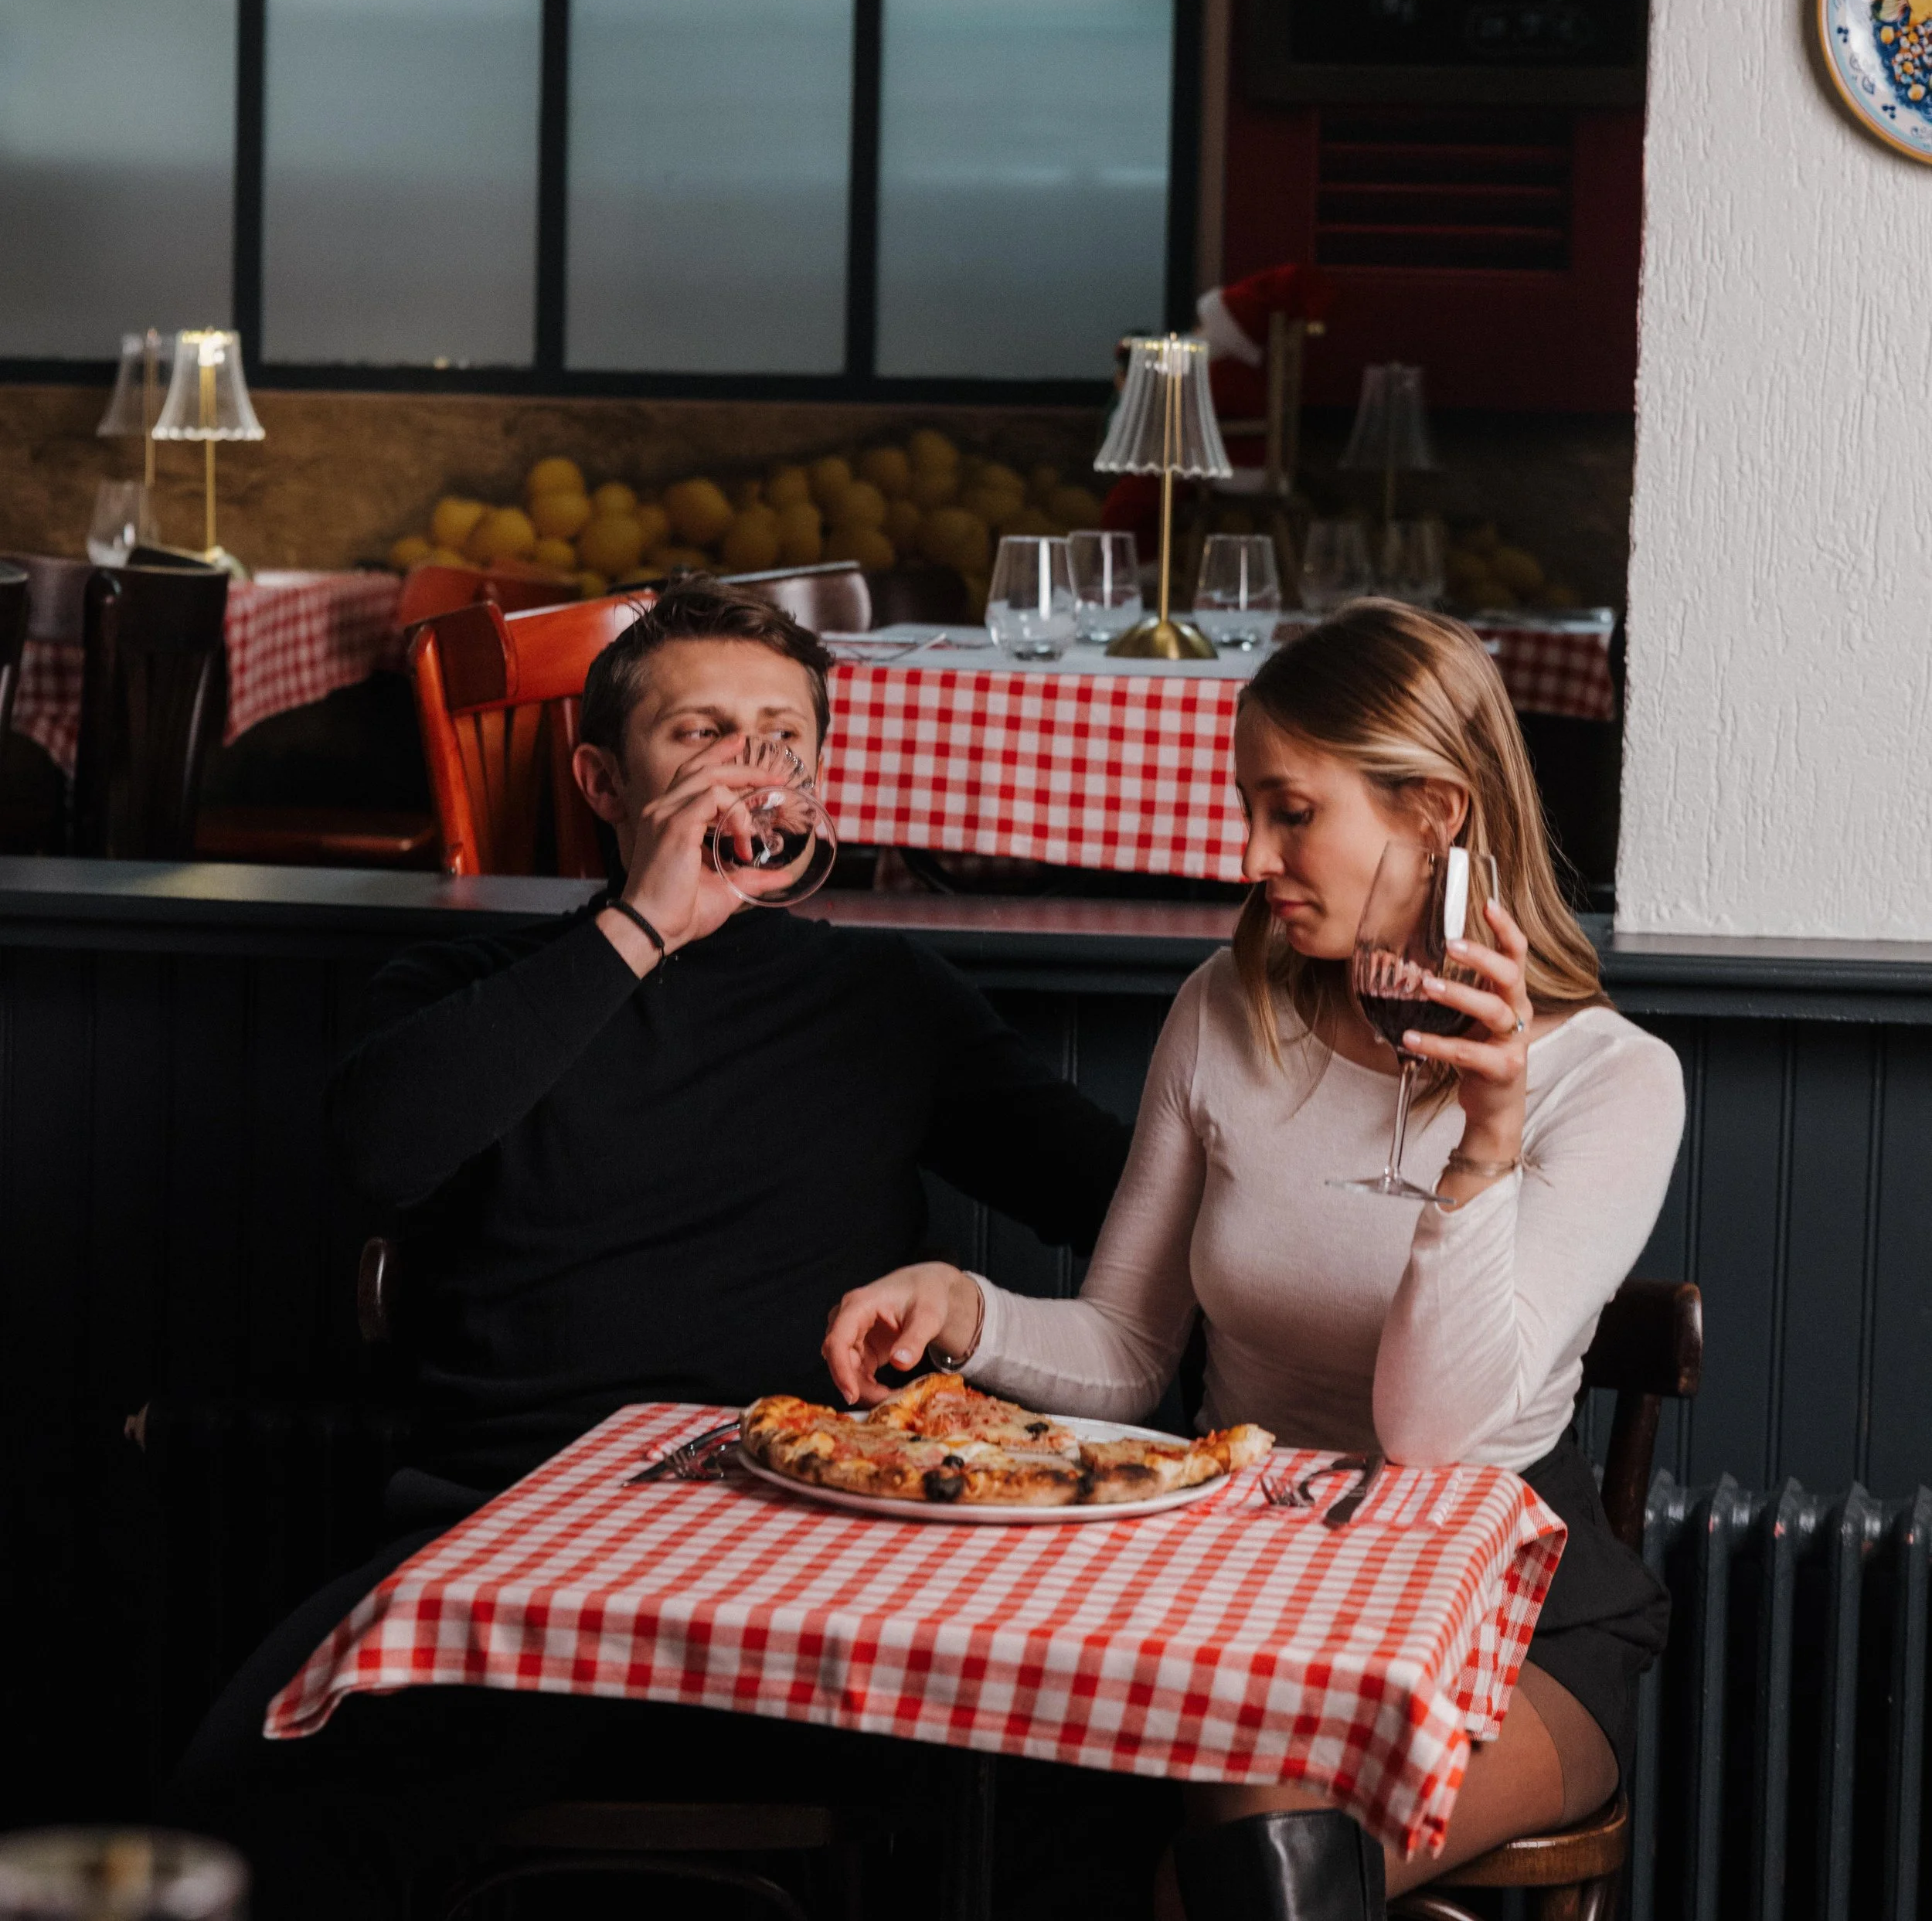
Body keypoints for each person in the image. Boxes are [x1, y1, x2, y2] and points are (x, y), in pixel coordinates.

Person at [169, 578, 1132, 1917]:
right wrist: (646, 928)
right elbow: (377, 1153)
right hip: (513, 1542)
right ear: (602, 782)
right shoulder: (468, 989)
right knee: (238, 1807)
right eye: (701, 735)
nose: (750, 768)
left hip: (822, 1541)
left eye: (781, 738)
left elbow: (1119, 1202)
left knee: (1078, 1789)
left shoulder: (883, 999)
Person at [825, 599, 1685, 1921]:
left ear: (1435, 815)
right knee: (1034, 1806)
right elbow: (1127, 1353)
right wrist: (962, 1308)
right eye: (1249, 808)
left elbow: (1435, 1440)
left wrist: (1482, 1149)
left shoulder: (1611, 1080)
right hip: (1238, 1580)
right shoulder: (1225, 1010)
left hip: (1506, 1615)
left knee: (1259, 1863)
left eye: (1293, 813)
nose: (1250, 855)